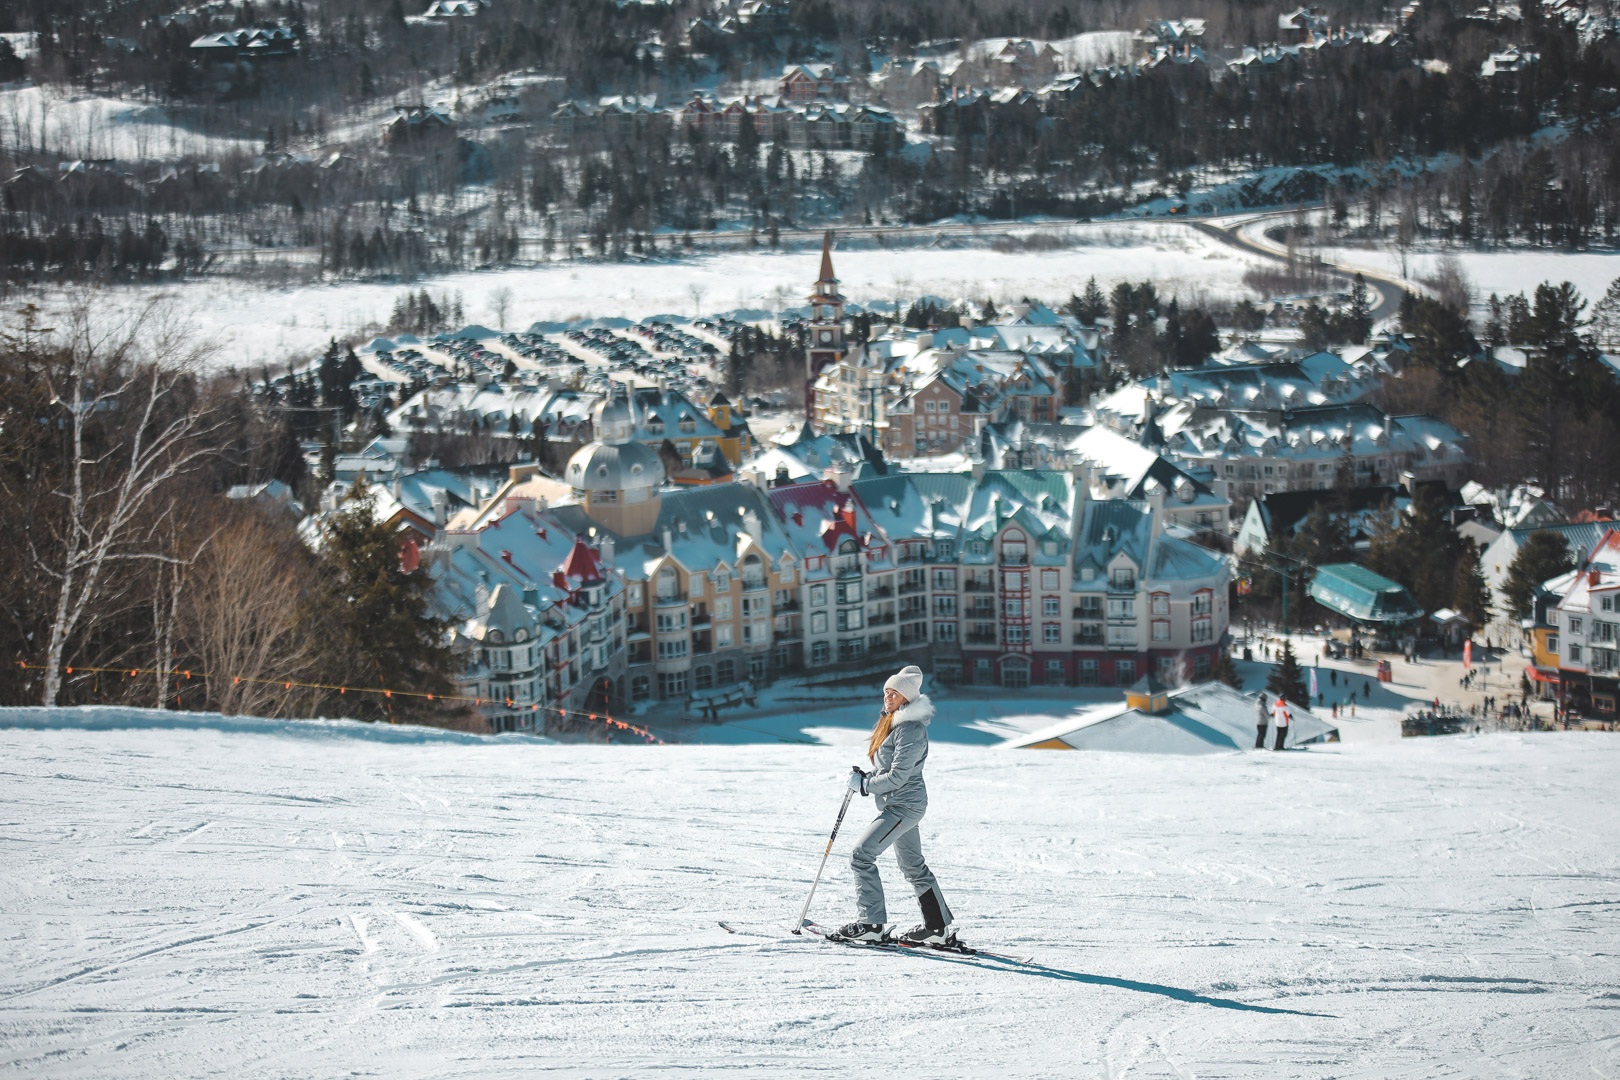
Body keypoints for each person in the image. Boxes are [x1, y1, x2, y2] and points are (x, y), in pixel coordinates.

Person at [840, 665, 955, 946]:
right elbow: (889, 769)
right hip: (899, 805)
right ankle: (937, 928)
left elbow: (899, 776)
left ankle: (871, 924)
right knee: (913, 867)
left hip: (904, 806)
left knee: (861, 855)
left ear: (908, 698)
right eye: (886, 692)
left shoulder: (911, 729)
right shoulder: (894, 724)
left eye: (895, 693)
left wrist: (866, 786)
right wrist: (864, 777)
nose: (888, 697)